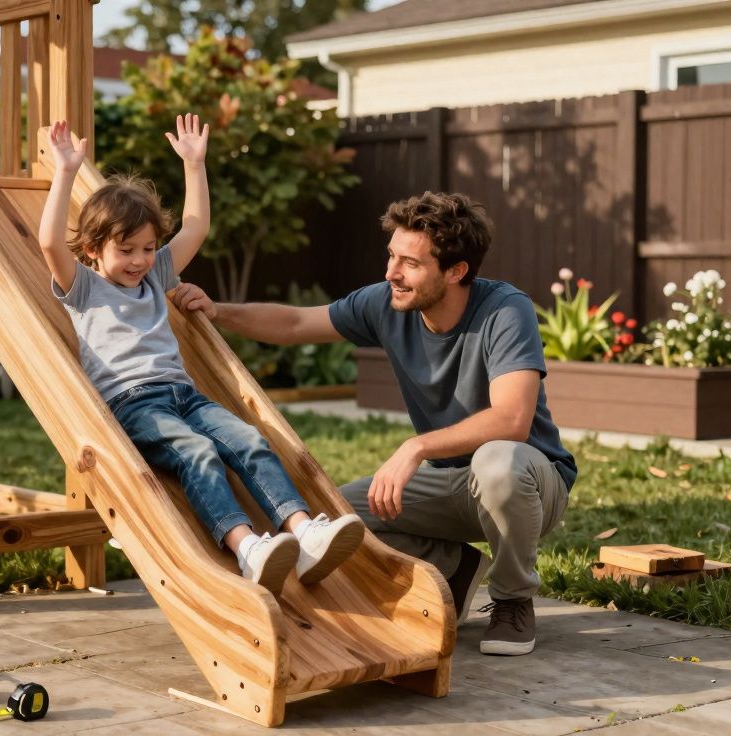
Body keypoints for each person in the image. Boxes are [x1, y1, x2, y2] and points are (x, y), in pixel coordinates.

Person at [170, 192, 575, 656]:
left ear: (456, 271)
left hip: (529, 483)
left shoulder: (505, 310)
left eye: (410, 263)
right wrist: (218, 311)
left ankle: (513, 600)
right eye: (391, 256)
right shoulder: (385, 303)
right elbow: (296, 324)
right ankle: (457, 568)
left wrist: (415, 448)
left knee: (497, 461)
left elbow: (512, 420)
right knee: (337, 519)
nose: (391, 274)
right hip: (448, 482)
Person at [37, 116, 364, 595]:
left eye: (148, 248)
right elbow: (48, 241)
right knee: (198, 452)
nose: (139, 260)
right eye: (126, 249)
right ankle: (246, 546)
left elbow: (196, 227)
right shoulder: (83, 288)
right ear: (91, 249)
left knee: (248, 438)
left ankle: (302, 531)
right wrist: (66, 170)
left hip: (184, 396)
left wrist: (195, 164)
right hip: (134, 404)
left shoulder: (155, 276)